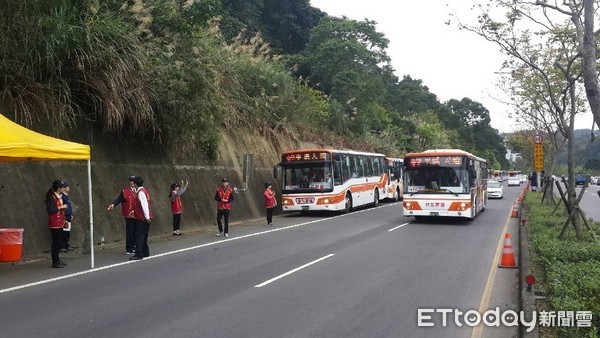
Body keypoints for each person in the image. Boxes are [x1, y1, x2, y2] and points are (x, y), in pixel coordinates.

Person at [107, 176, 138, 254]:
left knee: (136, 230)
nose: (132, 183)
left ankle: (134, 245)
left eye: (133, 181)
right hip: (129, 214)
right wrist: (113, 204)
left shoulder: (139, 190)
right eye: (130, 181)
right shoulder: (125, 191)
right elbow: (119, 199)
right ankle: (129, 248)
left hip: (137, 214)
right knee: (130, 231)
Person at [46, 180, 68, 268]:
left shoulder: (59, 197)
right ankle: (55, 261)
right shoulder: (52, 197)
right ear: (58, 188)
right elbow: (51, 210)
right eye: (62, 187)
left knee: (58, 242)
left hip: (60, 222)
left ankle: (57, 259)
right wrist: (60, 207)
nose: (64, 188)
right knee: (55, 242)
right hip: (55, 223)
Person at [130, 176, 152, 260]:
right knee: (144, 235)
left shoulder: (141, 192)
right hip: (144, 217)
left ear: (135, 184)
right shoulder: (144, 190)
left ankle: (139, 253)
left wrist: (147, 217)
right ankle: (145, 251)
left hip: (142, 217)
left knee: (139, 235)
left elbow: (144, 205)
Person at [60, 181, 73, 252]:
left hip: (68, 216)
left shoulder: (66, 196)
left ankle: (66, 245)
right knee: (64, 231)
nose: (69, 188)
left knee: (67, 231)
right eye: (67, 187)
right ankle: (62, 246)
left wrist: (70, 214)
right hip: (64, 216)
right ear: (64, 188)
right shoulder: (62, 196)